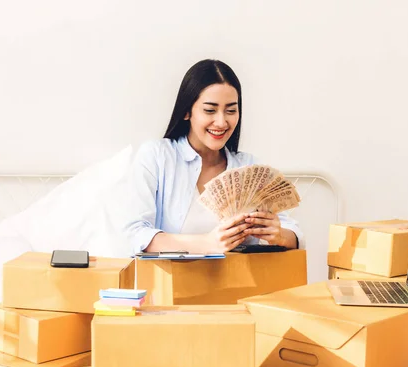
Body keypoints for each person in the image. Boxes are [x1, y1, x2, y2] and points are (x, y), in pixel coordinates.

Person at [123, 59, 304, 255]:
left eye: (231, 110)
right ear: (186, 111)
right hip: (171, 280)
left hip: (237, 281)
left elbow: (294, 233)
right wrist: (208, 243)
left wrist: (278, 234)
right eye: (210, 110)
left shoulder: (249, 166)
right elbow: (135, 234)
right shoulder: (157, 156)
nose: (221, 121)